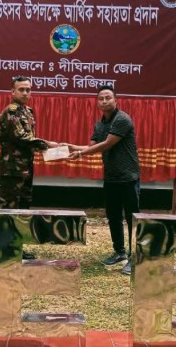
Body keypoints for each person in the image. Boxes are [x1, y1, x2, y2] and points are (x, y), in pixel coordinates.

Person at [67, 85, 140, 276]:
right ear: (97, 102)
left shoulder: (122, 119)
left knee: (133, 219)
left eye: (108, 98)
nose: (104, 101)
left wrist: (80, 153)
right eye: (101, 98)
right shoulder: (100, 124)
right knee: (113, 216)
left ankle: (135, 258)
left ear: (116, 100)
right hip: (111, 177)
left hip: (128, 177)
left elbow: (106, 145)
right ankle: (120, 252)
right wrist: (68, 147)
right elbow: (91, 145)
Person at [0, 76, 57, 259]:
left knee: (23, 208)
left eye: (28, 89)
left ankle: (17, 247)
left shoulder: (28, 111)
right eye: (21, 89)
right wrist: (48, 144)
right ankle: (5, 248)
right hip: (12, 168)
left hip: (26, 167)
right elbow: (21, 137)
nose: (25, 93)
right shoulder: (12, 112)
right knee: (10, 208)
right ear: (12, 92)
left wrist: (45, 147)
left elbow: (29, 141)